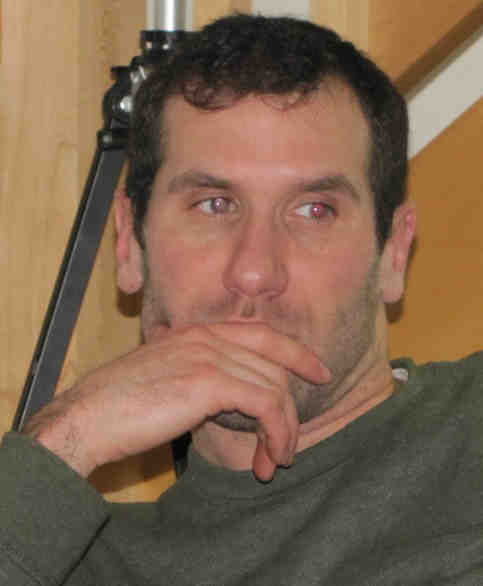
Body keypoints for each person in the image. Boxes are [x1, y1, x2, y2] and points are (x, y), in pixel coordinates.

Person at [1, 12, 482, 586]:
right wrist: (68, 436)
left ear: (393, 254)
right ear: (128, 243)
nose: (254, 272)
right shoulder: (63, 561)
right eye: (213, 205)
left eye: (314, 211)